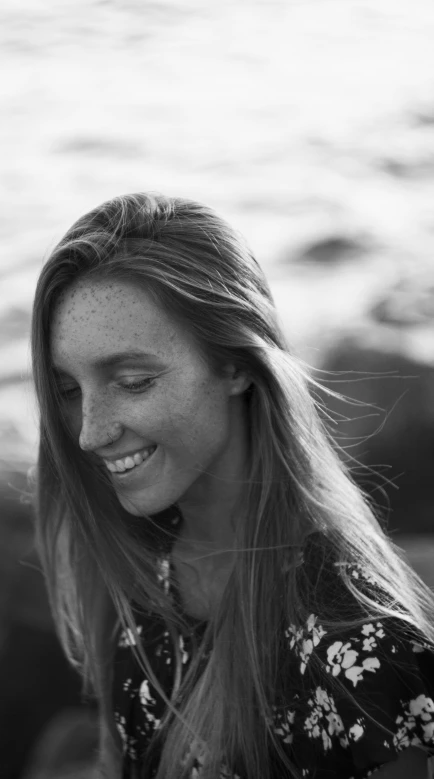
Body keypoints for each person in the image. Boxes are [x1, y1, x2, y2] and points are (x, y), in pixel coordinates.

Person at [30, 192, 434, 779]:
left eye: (134, 380)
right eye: (69, 390)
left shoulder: (357, 651)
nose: (89, 433)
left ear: (237, 365)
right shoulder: (135, 571)